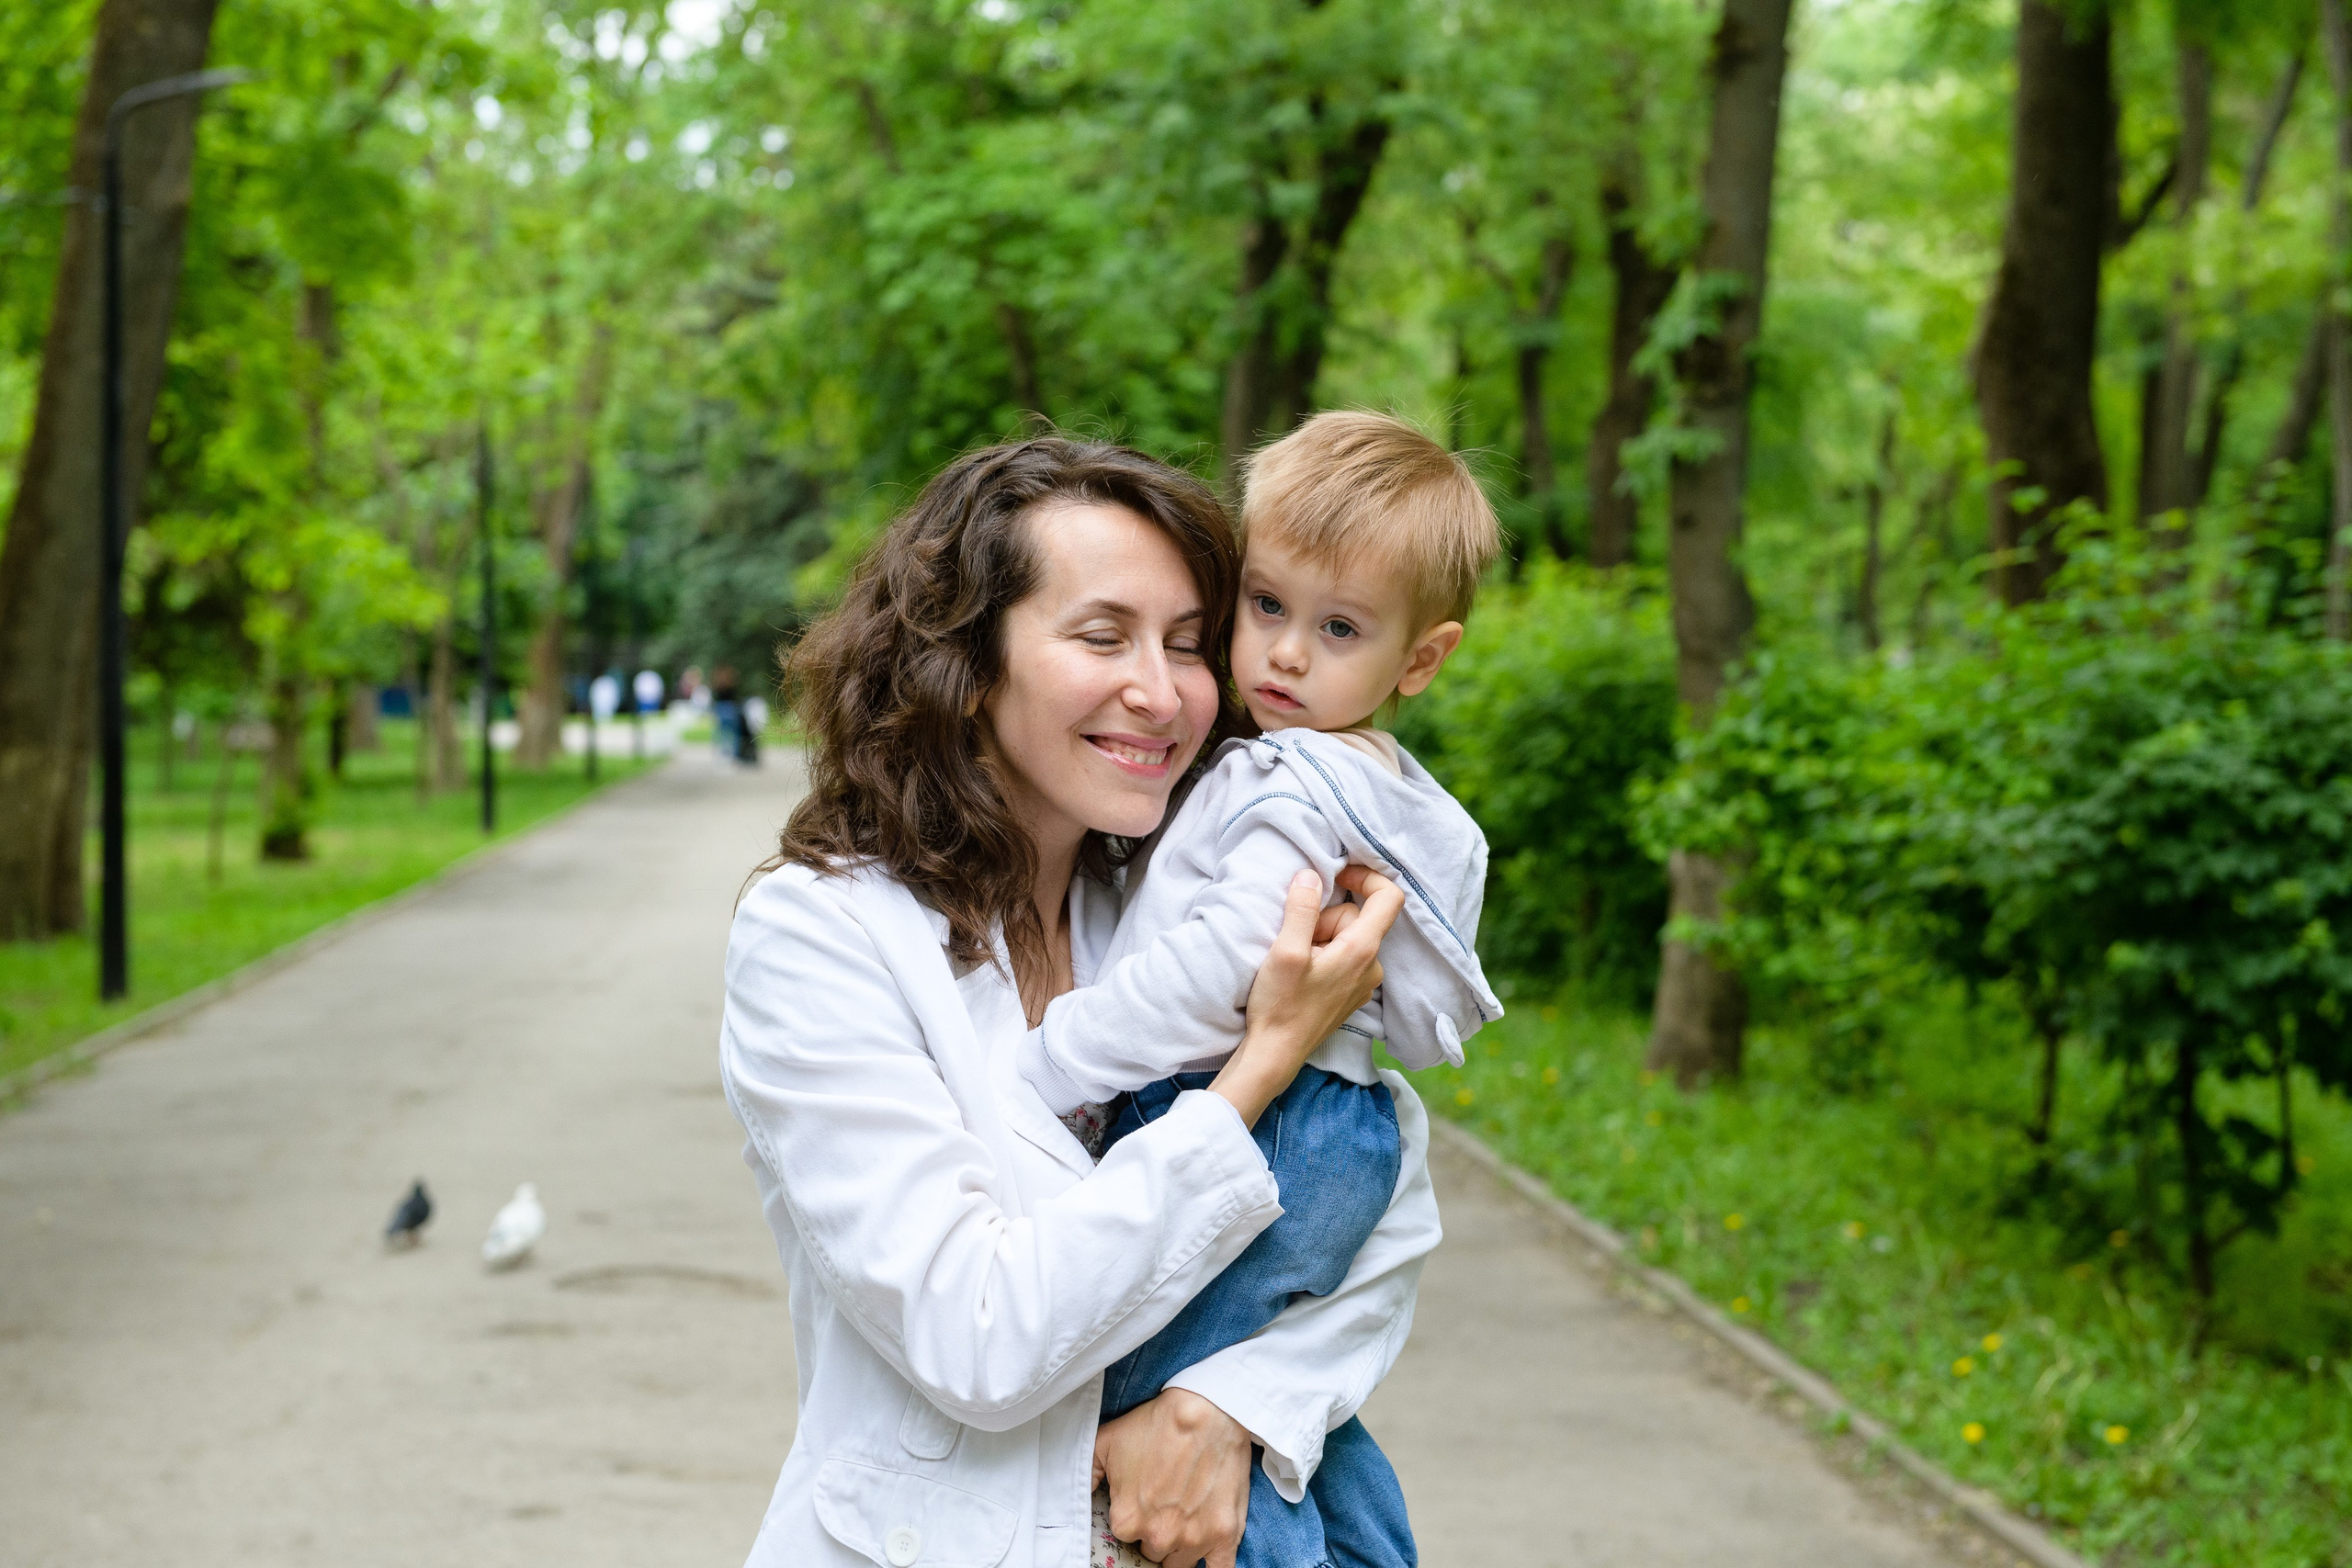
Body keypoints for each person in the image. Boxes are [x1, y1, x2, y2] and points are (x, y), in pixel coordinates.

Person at [720, 437, 1440, 1568]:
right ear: (967, 663)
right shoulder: (823, 936)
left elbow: (1382, 1213)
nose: (1158, 691)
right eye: (1103, 637)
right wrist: (1259, 1065)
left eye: (1189, 644)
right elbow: (977, 1336)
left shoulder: (1192, 913)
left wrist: (1229, 1406)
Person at [1021, 411, 1500, 1568]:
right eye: (1267, 605)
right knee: (1297, 1430)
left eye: (1337, 628)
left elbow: (1230, 966)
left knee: (1142, 1391)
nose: (1284, 654)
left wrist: (1054, 1057)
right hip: (1339, 1129)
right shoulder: (1391, 789)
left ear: (1420, 660)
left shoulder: (1291, 782)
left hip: (1259, 1120)